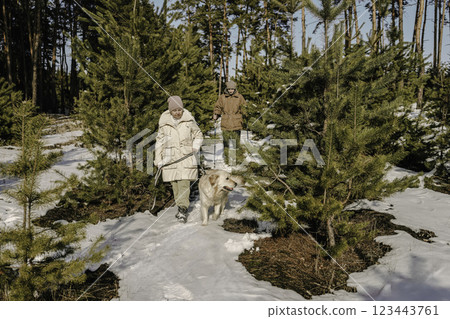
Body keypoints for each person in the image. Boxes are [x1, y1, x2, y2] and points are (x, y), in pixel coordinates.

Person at [155, 96, 203, 223]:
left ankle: (182, 209)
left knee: (184, 183)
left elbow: (198, 135)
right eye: (174, 110)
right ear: (170, 111)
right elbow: (159, 142)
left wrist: (195, 146)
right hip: (170, 158)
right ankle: (180, 205)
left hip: (186, 156)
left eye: (179, 110)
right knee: (175, 185)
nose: (177, 112)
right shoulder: (164, 124)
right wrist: (158, 159)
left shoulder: (189, 121)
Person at [213, 80, 247, 165]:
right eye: (229, 89)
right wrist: (216, 114)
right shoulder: (222, 97)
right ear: (227, 89)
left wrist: (247, 115)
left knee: (236, 143)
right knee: (226, 143)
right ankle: (227, 159)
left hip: (237, 122)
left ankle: (238, 159)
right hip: (226, 123)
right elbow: (218, 106)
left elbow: (244, 107)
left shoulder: (239, 97)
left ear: (235, 89)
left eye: (232, 89)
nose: (230, 90)